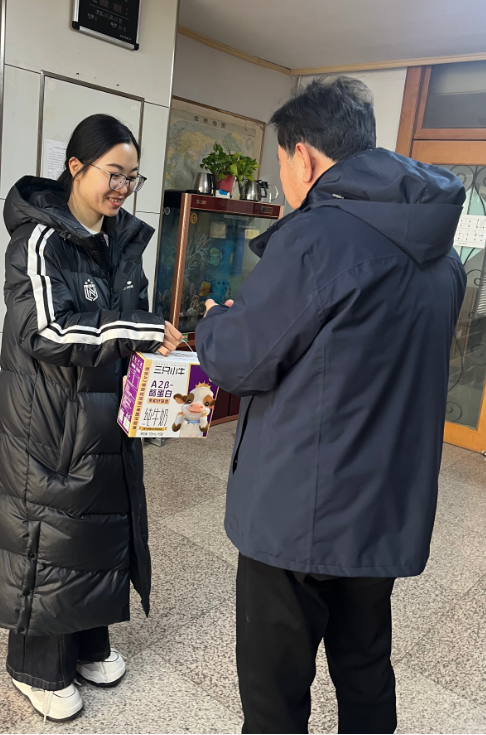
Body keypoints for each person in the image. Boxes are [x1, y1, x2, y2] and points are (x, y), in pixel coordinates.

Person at [195, 77, 466, 734]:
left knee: (274, 692)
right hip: (384, 506)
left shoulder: (317, 238)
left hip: (299, 513)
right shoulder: (442, 256)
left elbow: (239, 362)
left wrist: (217, 321)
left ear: (304, 156)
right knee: (365, 667)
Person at [0, 114, 182, 722]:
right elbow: (48, 331)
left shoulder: (123, 242)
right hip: (48, 424)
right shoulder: (39, 240)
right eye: (113, 174)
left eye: (132, 177)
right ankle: (36, 666)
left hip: (106, 417)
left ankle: (90, 641)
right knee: (50, 535)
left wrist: (161, 378)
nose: (123, 188)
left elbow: (125, 328)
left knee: (99, 528)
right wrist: (141, 330)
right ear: (76, 167)